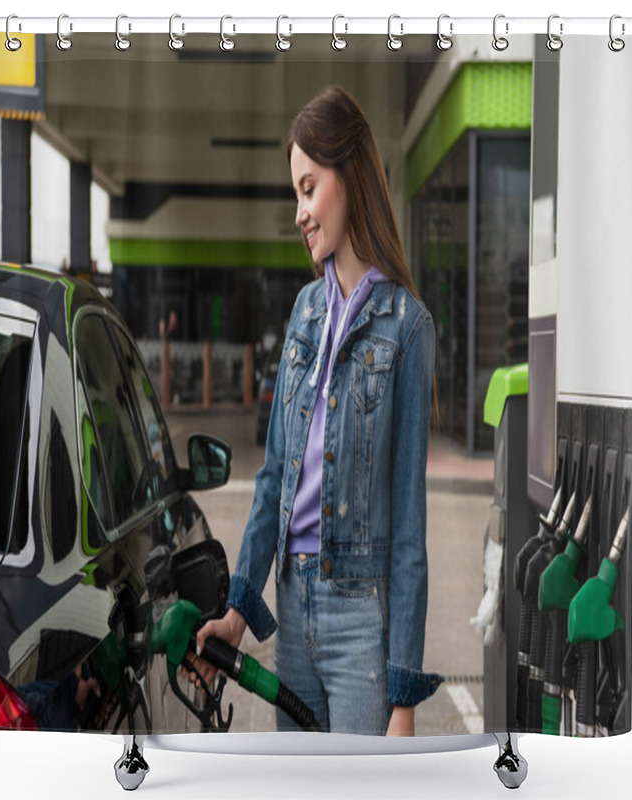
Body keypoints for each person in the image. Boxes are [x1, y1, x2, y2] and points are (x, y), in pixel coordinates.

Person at [190, 86, 442, 736]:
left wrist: (404, 696)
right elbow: (274, 479)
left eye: (308, 187)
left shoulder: (409, 329)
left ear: (348, 173)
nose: (300, 211)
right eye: (296, 194)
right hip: (292, 610)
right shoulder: (304, 311)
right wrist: (238, 613)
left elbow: (410, 529)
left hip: (363, 621)